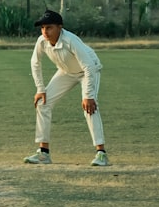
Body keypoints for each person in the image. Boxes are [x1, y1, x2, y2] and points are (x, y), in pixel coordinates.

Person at [24, 9, 109, 167]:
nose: (45, 31)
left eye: (49, 27)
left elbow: (88, 66)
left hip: (88, 71)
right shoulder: (41, 41)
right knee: (43, 103)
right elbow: (35, 63)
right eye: (42, 28)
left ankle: (101, 154)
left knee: (89, 108)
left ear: (60, 27)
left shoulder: (70, 40)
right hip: (66, 72)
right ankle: (43, 153)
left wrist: (88, 96)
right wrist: (40, 89)